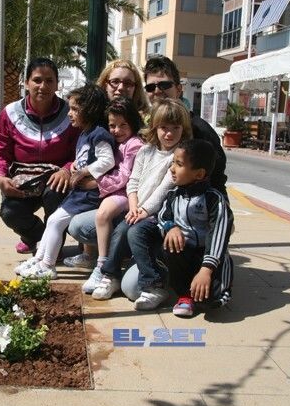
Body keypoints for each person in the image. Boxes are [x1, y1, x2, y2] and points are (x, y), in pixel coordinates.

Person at [84, 98, 193, 297]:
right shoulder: (146, 150)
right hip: (138, 209)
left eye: (175, 128)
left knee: (130, 231)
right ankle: (110, 275)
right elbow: (133, 182)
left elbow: (165, 188)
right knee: (121, 230)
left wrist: (144, 210)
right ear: (155, 127)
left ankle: (153, 279)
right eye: (164, 127)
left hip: (157, 214)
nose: (169, 133)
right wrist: (134, 207)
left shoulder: (178, 156)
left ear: (183, 129)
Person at [14, 84, 115, 279]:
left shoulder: (99, 134)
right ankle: (40, 259)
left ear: (90, 109)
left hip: (89, 195)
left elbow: (107, 160)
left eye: (75, 109)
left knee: (55, 221)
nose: (69, 113)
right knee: (53, 221)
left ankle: (47, 265)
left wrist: (84, 171)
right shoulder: (85, 133)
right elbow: (85, 157)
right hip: (80, 193)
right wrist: (75, 165)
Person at [64, 59, 149, 269]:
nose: (121, 87)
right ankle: (92, 254)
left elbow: (128, 171)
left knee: (81, 224)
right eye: (115, 82)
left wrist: (96, 183)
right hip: (109, 190)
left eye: (128, 83)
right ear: (105, 83)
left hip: (131, 196)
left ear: (136, 88)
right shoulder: (96, 117)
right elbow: (86, 151)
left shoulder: (142, 122)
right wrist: (73, 166)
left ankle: (113, 258)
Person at [135, 138, 234, 313]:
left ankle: (215, 284)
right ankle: (184, 295)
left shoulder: (214, 199)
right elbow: (163, 216)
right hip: (184, 252)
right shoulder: (173, 195)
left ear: (199, 174)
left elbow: (218, 234)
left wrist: (206, 270)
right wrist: (170, 227)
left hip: (208, 255)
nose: (172, 168)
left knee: (210, 302)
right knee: (170, 247)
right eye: (173, 162)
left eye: (179, 164)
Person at [0, 57, 79, 255]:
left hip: (55, 179)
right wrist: (0, 177)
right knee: (10, 212)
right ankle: (34, 236)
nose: (43, 86)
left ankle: (52, 250)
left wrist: (66, 170)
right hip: (24, 180)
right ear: (26, 83)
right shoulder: (10, 113)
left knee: (56, 194)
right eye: (37, 80)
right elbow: (1, 153)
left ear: (57, 84)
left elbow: (79, 152)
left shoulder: (71, 113)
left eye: (49, 81)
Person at [143, 56, 227, 196]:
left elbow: (216, 178)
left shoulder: (200, 130)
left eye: (164, 85)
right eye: (151, 87)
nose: (157, 91)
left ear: (178, 89)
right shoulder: (147, 127)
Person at [91, 97, 144, 277]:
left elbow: (124, 176)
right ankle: (88, 254)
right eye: (112, 125)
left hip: (128, 192)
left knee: (102, 214)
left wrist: (97, 182)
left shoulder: (134, 144)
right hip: (115, 188)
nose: (117, 130)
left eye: (123, 125)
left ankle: (102, 263)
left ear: (133, 123)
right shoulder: (115, 142)